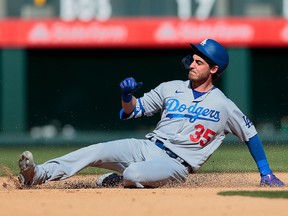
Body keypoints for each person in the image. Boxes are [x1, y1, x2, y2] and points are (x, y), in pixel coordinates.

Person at [18, 38, 284, 188]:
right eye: (192, 59)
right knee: (96, 151)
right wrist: (126, 97)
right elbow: (135, 112)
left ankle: (120, 178)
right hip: (146, 146)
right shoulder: (171, 88)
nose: (191, 64)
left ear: (213, 70)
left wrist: (266, 172)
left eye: (199, 62)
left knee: (133, 174)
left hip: (176, 164)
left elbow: (251, 135)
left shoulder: (224, 105)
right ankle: (37, 174)